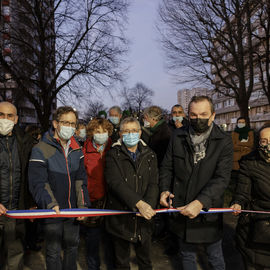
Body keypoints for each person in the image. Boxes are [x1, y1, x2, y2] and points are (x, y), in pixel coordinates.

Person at [159, 95, 233, 270]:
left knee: (215, 257)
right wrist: (164, 190)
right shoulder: (177, 136)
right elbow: (167, 167)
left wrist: (200, 202)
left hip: (208, 209)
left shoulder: (224, 140)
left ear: (213, 115)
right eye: (193, 115)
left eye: (203, 114)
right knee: (187, 255)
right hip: (182, 207)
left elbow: (222, 178)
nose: (198, 119)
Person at [28, 106, 90, 270]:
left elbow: (81, 180)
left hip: (73, 211)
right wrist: (50, 204)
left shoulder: (77, 150)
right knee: (53, 251)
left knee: (72, 248)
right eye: (65, 122)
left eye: (73, 124)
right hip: (52, 210)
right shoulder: (40, 149)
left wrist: (83, 206)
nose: (69, 127)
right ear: (55, 123)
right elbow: (38, 182)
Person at [104, 117, 159, 270]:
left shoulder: (150, 155)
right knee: (121, 263)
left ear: (140, 133)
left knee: (146, 261)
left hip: (144, 220)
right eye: (126, 131)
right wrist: (139, 204)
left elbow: (154, 183)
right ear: (120, 134)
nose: (131, 134)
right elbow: (115, 182)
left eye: (134, 131)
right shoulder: (113, 154)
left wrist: (148, 205)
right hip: (121, 219)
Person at [231, 122, 270, 270]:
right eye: (264, 141)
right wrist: (238, 203)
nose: (268, 146)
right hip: (255, 230)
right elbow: (242, 192)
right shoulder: (249, 163)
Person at [0, 101, 34, 270]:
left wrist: (31, 204)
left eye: (9, 116)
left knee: (15, 257)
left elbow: (31, 176)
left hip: (16, 212)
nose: (5, 119)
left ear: (16, 119)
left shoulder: (25, 142)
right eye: (1, 115)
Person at [82, 118, 113, 270]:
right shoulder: (84, 150)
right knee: (92, 240)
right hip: (92, 201)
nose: (101, 134)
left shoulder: (115, 148)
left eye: (104, 131)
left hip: (111, 201)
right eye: (97, 131)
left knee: (110, 240)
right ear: (91, 133)